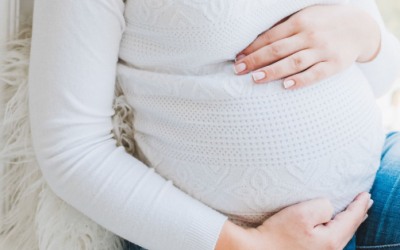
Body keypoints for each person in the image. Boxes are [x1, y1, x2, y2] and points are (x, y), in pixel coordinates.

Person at [28, 0, 400, 249]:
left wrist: (366, 35)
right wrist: (246, 246)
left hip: (370, 185)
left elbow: (381, 79)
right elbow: (72, 150)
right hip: (211, 237)